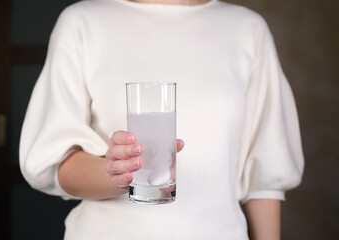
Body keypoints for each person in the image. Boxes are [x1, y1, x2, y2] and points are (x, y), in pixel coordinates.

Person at [19, 0, 304, 239]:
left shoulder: (248, 29)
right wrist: (116, 172)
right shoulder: (82, 22)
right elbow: (55, 162)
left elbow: (264, 181)